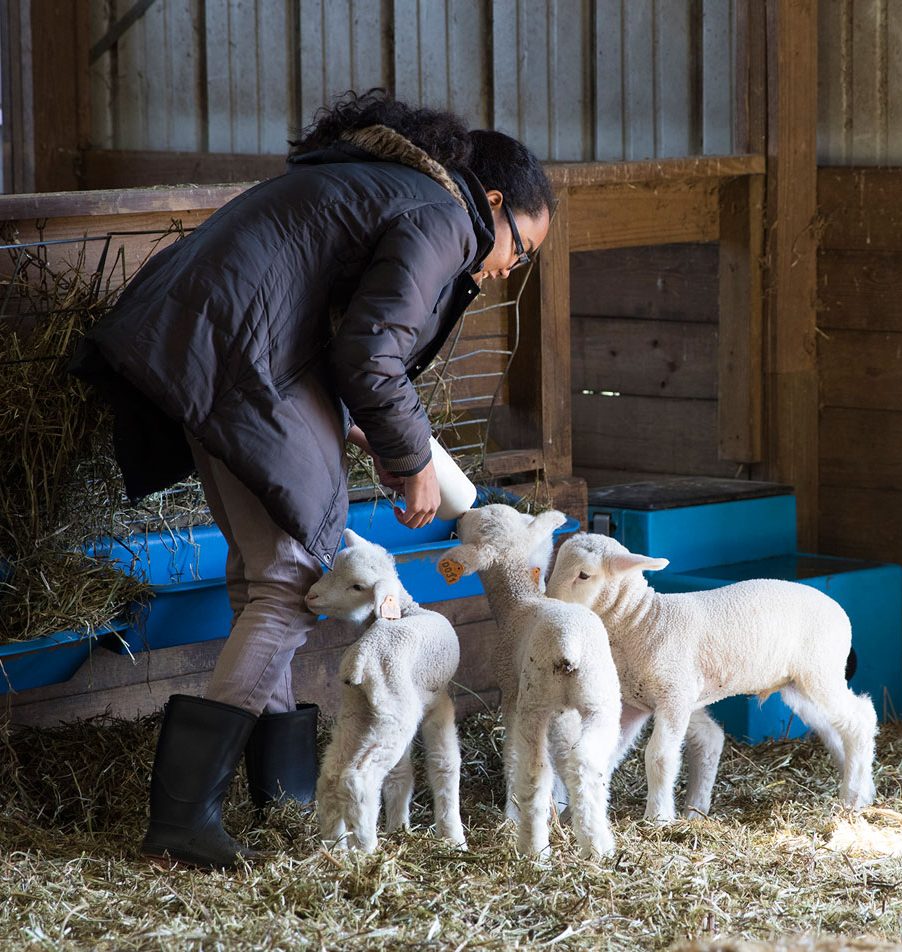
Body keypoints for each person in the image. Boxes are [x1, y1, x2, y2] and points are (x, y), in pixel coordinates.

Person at [69, 88, 554, 869]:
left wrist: (362, 426)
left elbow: (331, 329)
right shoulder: (439, 216)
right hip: (236, 357)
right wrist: (411, 457)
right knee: (289, 582)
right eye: (519, 249)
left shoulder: (391, 186)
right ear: (492, 202)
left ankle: (286, 792)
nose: (506, 270)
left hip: (213, 347)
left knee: (261, 575)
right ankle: (183, 823)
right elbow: (369, 353)